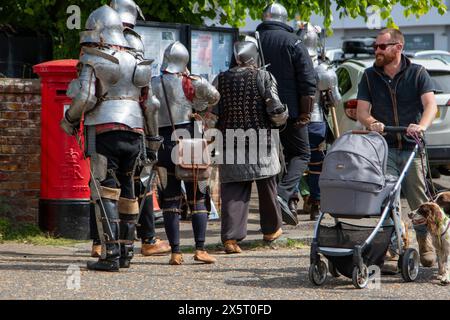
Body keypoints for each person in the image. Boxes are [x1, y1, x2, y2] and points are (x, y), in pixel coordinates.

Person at [60, 4, 161, 271]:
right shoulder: (138, 60)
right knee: (128, 192)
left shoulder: (94, 58)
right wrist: (153, 140)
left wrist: (69, 120)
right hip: (136, 133)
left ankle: (110, 254)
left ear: (99, 32)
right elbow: (151, 104)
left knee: (104, 191)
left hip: (103, 130)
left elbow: (85, 97)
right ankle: (127, 252)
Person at [356, 28, 437, 267]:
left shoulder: (418, 73)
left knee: (419, 201)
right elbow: (362, 111)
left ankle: (425, 242)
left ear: (397, 47)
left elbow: (430, 105)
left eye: (382, 46)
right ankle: (393, 243)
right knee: (387, 198)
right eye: (375, 47)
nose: (377, 51)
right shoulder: (369, 76)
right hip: (385, 147)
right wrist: (372, 123)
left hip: (412, 146)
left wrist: (421, 126)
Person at [210, 39, 288, 254]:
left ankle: (231, 239)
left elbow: (212, 112)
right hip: (260, 138)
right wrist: (282, 119)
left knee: (234, 190)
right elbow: (275, 108)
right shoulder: (263, 76)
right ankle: (271, 230)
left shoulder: (221, 79)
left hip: (230, 139)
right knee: (267, 187)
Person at [151, 41, 220, 265]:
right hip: (188, 141)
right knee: (198, 197)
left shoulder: (152, 82)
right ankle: (200, 249)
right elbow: (215, 96)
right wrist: (196, 102)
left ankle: (175, 252)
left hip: (162, 144)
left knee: (170, 198)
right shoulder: (191, 82)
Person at [256, 2, 317, 226]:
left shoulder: (251, 40)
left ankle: (281, 204)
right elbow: (308, 81)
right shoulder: (293, 41)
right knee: (301, 154)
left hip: (257, 112)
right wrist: (305, 112)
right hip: (290, 110)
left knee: (269, 158)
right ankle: (282, 194)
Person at [288, 23, 341, 221]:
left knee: (291, 162)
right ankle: (316, 205)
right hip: (316, 122)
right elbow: (335, 101)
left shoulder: (288, 68)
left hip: (294, 122)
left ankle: (292, 201)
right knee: (317, 164)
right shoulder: (324, 71)